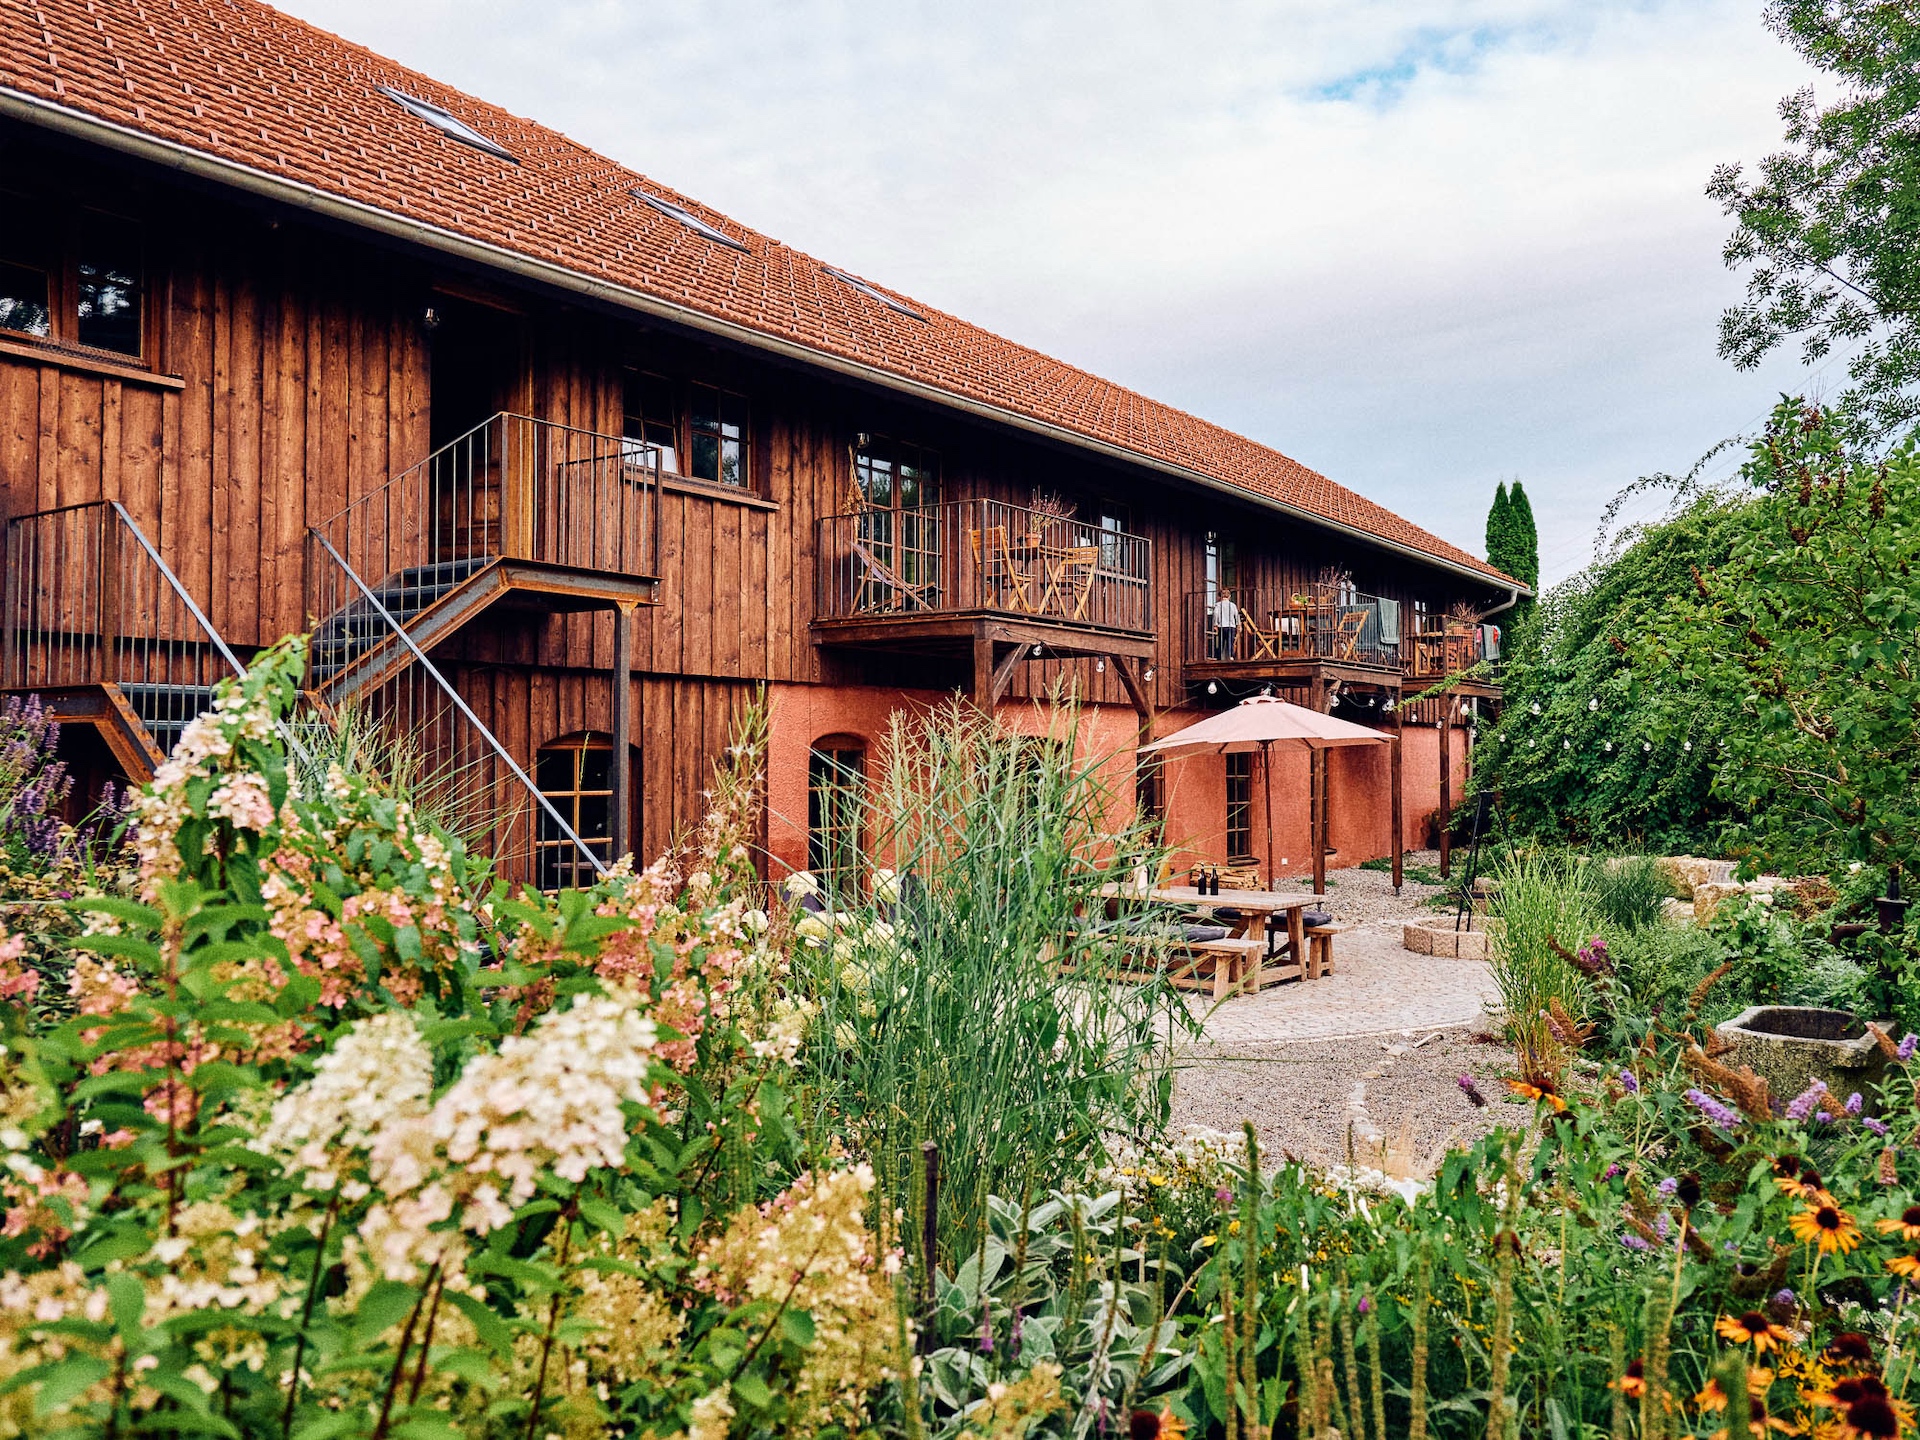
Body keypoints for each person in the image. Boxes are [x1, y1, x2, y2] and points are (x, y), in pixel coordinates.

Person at [1211, 591, 1241, 660]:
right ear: (1229, 596)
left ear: (1221, 596)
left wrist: (1215, 624)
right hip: (1231, 626)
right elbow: (1236, 615)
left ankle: (1219, 657)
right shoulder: (1233, 605)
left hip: (1221, 626)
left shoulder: (1218, 605)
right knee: (1230, 642)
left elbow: (1215, 614)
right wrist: (1238, 624)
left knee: (1220, 642)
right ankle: (1231, 656)